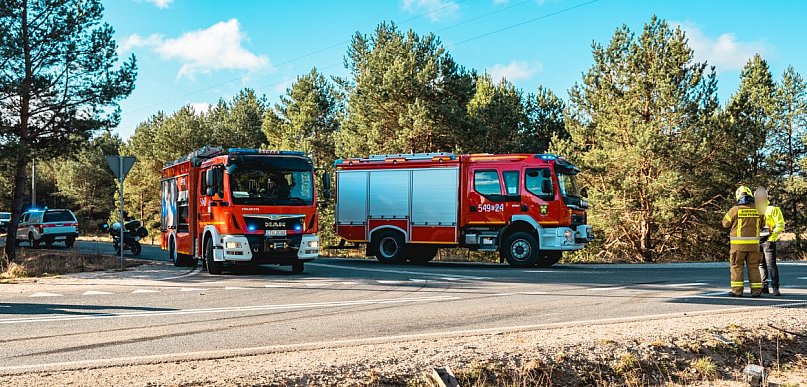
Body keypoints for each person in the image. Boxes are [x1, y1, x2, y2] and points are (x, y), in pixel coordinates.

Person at [721, 186, 766, 297]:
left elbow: (725, 223)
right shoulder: (758, 210)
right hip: (754, 247)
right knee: (754, 267)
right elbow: (763, 224)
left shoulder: (734, 210)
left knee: (737, 267)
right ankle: (756, 291)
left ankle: (737, 291)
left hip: (738, 247)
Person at [754, 187, 786, 296]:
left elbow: (780, 224)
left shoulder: (773, 209)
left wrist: (772, 237)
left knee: (770, 265)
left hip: (768, 240)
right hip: (758, 241)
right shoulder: (754, 210)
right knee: (761, 264)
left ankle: (775, 288)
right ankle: (764, 287)